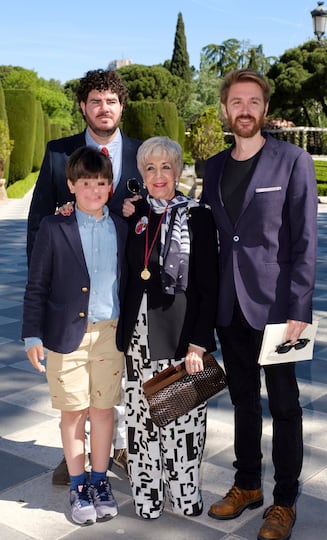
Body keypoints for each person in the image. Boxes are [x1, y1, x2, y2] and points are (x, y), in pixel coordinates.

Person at [201, 69, 318, 540]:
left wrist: (300, 308)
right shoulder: (211, 167)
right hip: (230, 308)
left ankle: (284, 501)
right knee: (243, 401)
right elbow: (208, 234)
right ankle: (247, 484)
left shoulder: (293, 160)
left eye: (253, 101)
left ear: (264, 109)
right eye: (236, 102)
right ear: (226, 110)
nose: (244, 110)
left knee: (285, 405)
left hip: (279, 309)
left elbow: (305, 240)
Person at [26, 68, 143, 483]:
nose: (103, 108)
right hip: (73, 295)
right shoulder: (60, 154)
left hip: (128, 288)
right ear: (83, 106)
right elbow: (39, 221)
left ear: (121, 106)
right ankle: (79, 458)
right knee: (79, 385)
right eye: (95, 100)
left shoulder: (142, 152)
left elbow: (160, 207)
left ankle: (125, 449)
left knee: (123, 378)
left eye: (111, 100)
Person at [22, 147, 128, 525]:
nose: (94, 190)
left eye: (101, 183)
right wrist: (32, 334)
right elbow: (37, 285)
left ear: (110, 186)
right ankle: (78, 484)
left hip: (110, 335)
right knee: (73, 413)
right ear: (71, 185)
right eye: (86, 183)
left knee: (103, 412)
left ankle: (100, 481)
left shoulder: (121, 226)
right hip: (66, 335)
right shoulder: (55, 227)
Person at [122, 136, 219, 519]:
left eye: (166, 167)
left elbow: (209, 286)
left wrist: (199, 342)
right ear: (141, 174)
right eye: (150, 168)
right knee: (141, 421)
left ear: (178, 171)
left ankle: (184, 493)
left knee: (183, 420)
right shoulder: (133, 215)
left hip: (180, 336)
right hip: (136, 335)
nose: (159, 175)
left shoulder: (199, 215)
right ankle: (146, 496)